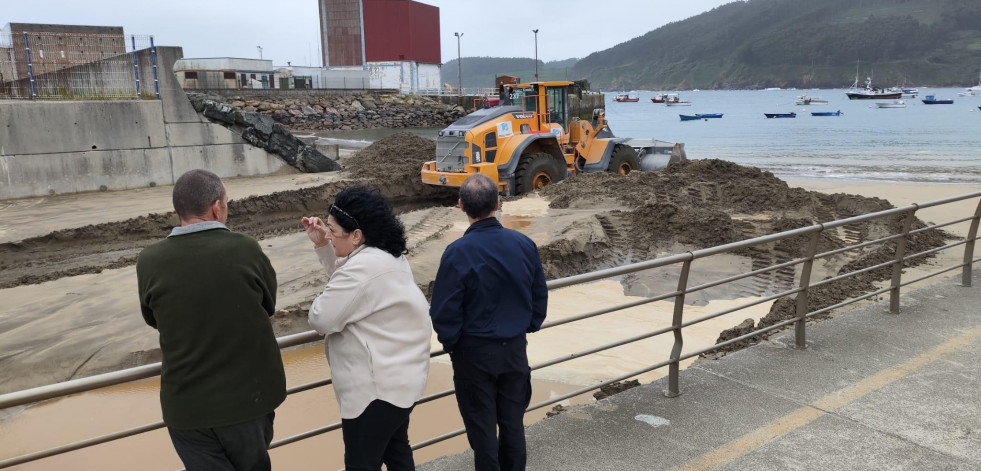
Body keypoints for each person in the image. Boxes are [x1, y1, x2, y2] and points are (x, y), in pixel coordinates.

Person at [136, 169, 286, 471]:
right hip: (248, 402)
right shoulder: (244, 248)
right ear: (217, 207)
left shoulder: (149, 260)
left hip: (186, 410)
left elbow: (153, 318)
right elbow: (267, 304)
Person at [302, 186, 431, 471]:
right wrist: (323, 246)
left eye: (333, 232)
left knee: (361, 464)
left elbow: (322, 318)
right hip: (400, 383)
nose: (329, 236)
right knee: (397, 453)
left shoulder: (363, 269)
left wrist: (320, 297)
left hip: (374, 393)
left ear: (357, 235)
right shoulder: (387, 255)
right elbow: (350, 288)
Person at [429, 174, 548, 471]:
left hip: (473, 353)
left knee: (482, 432)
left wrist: (454, 344)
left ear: (460, 206)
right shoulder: (524, 244)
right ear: (498, 203)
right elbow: (538, 298)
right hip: (514, 350)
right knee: (513, 425)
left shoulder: (457, 252)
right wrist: (527, 325)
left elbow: (444, 312)